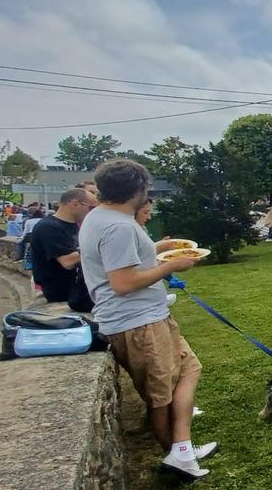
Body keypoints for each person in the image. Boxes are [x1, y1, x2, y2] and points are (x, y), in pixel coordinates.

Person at [79, 160, 214, 479]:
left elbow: (121, 263)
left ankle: (181, 448)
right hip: (138, 323)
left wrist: (156, 249)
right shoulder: (119, 226)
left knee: (188, 370)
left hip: (146, 318)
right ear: (136, 190)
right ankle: (179, 455)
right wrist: (171, 266)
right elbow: (123, 283)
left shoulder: (102, 217)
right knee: (161, 396)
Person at [29, 188, 98, 303]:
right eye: (91, 208)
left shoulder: (74, 225)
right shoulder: (49, 227)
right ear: (74, 204)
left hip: (73, 289)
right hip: (60, 292)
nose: (93, 212)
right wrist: (98, 248)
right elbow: (68, 262)